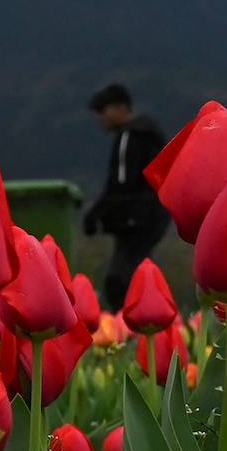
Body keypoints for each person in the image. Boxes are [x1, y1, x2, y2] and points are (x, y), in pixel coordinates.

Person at [82, 84, 171, 309]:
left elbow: (121, 183)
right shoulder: (151, 133)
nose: (100, 117)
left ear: (121, 108)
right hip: (156, 214)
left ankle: (125, 325)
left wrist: (96, 214)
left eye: (104, 110)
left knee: (119, 280)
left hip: (134, 218)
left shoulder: (129, 136)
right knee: (139, 270)